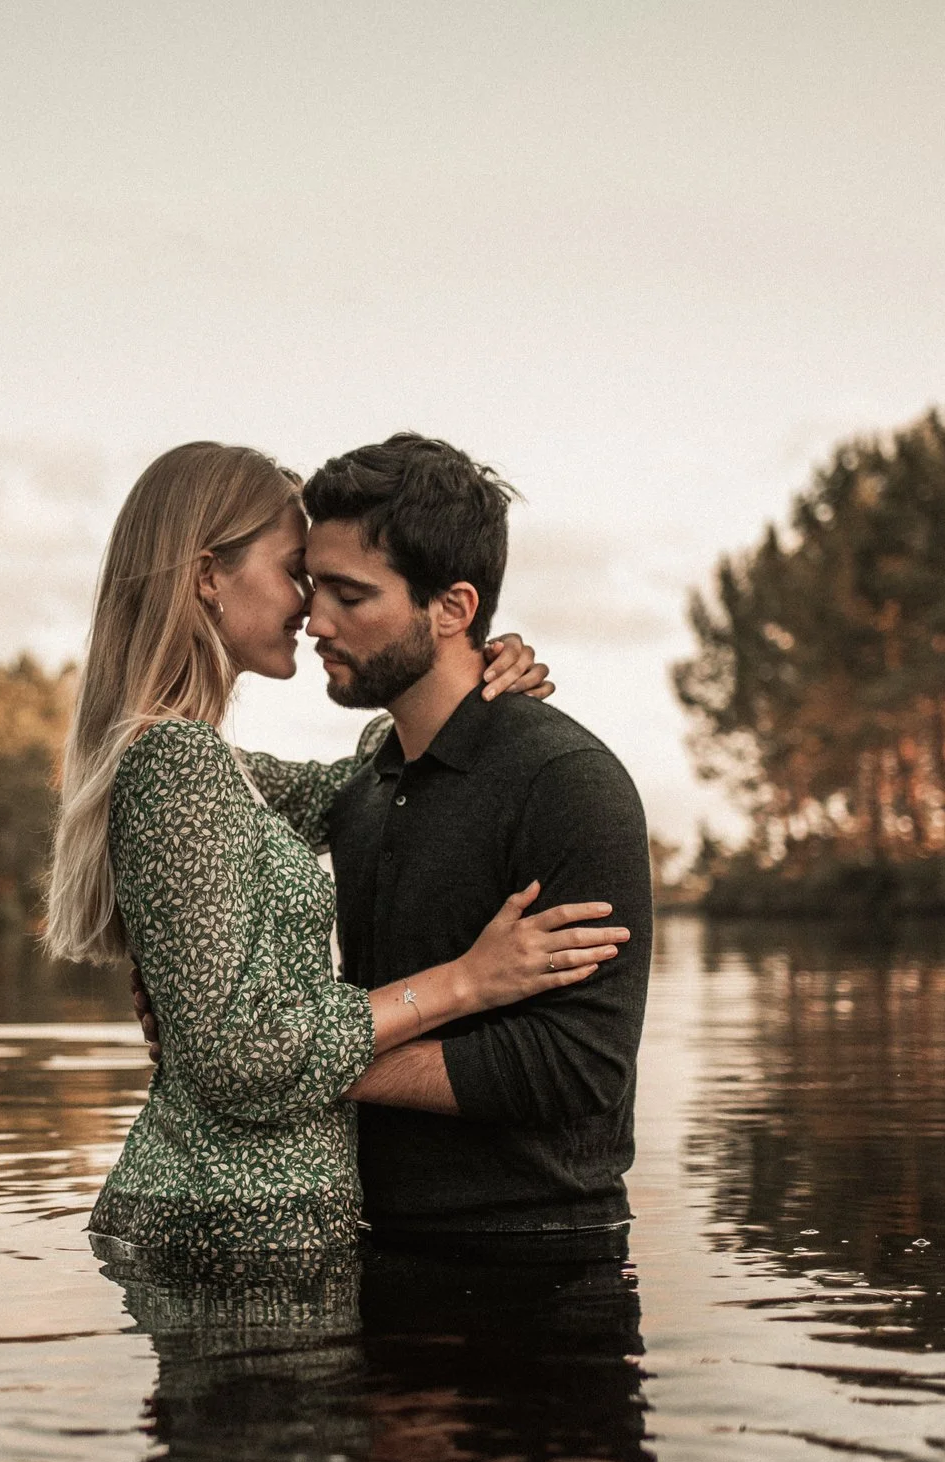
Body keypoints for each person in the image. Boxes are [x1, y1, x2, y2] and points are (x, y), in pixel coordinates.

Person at [43, 441, 633, 1265]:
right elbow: (237, 1055)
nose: (312, 613)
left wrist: (475, 682)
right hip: (234, 1233)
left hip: (305, 1234)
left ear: (453, 606)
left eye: (340, 591)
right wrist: (464, 980)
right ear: (208, 576)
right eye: (300, 576)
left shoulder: (234, 771)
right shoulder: (178, 760)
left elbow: (359, 779)